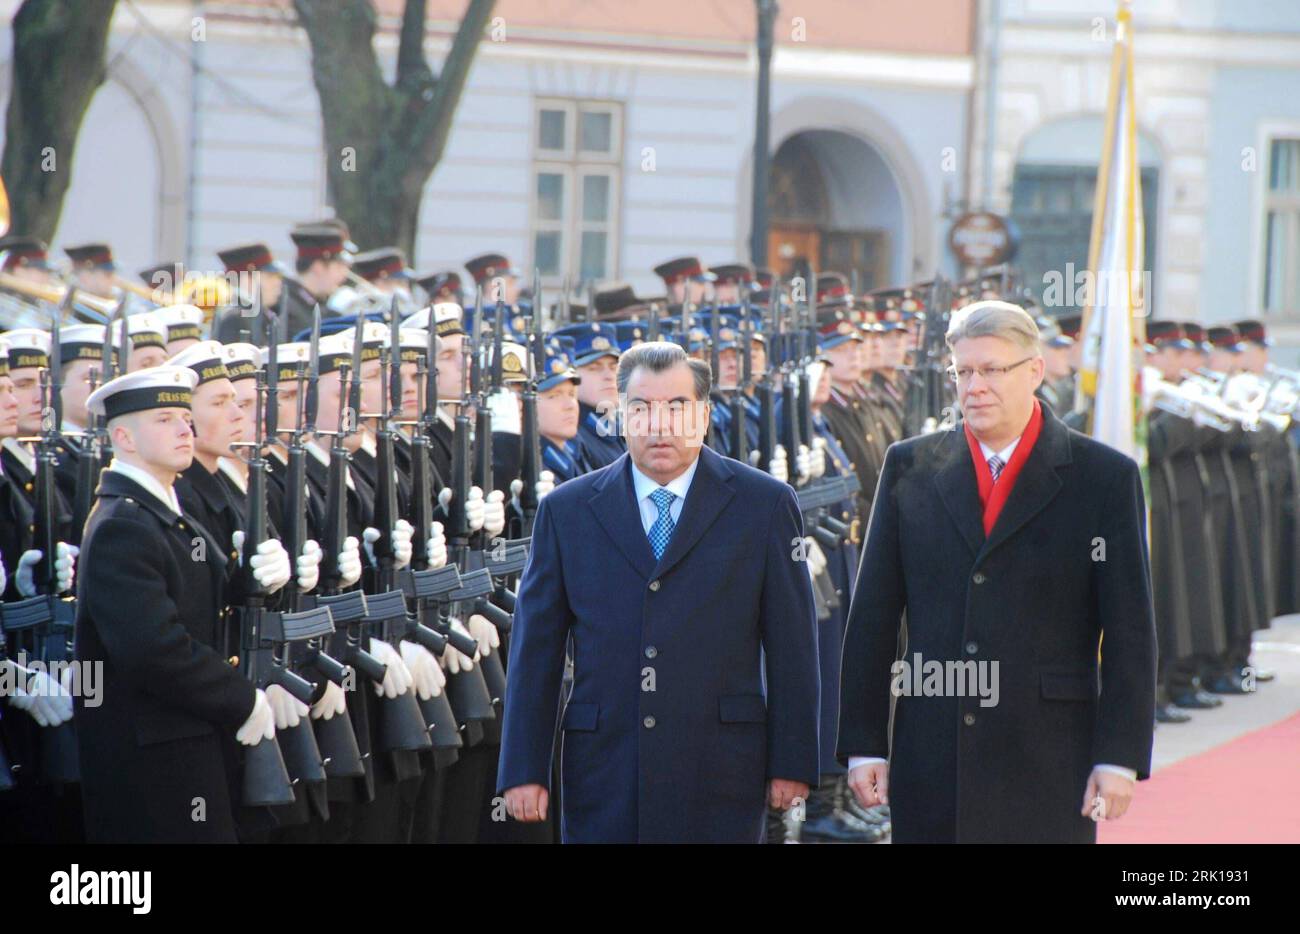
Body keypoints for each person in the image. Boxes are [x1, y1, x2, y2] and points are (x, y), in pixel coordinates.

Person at [837, 300, 1157, 844]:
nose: (974, 386)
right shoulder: (908, 467)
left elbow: (1129, 630)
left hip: (1050, 756)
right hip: (934, 753)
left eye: (990, 369)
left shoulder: (1102, 478)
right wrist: (865, 742)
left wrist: (1119, 757)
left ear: (1034, 371)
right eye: (962, 371)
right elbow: (874, 614)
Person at [497, 340, 820, 843]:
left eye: (677, 406)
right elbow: (535, 650)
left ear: (705, 415)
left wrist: (794, 760)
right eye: (641, 408)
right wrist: (523, 767)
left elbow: (793, 646)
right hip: (605, 764)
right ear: (620, 415)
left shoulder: (764, 505)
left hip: (721, 766)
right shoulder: (569, 511)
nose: (659, 423)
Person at [74, 365, 292, 842]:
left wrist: (249, 582)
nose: (183, 428)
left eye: (184, 416)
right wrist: (241, 699)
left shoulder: (163, 514)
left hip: (184, 740)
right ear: (125, 438)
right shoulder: (123, 525)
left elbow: (199, 606)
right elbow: (154, 648)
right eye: (165, 419)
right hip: (153, 758)